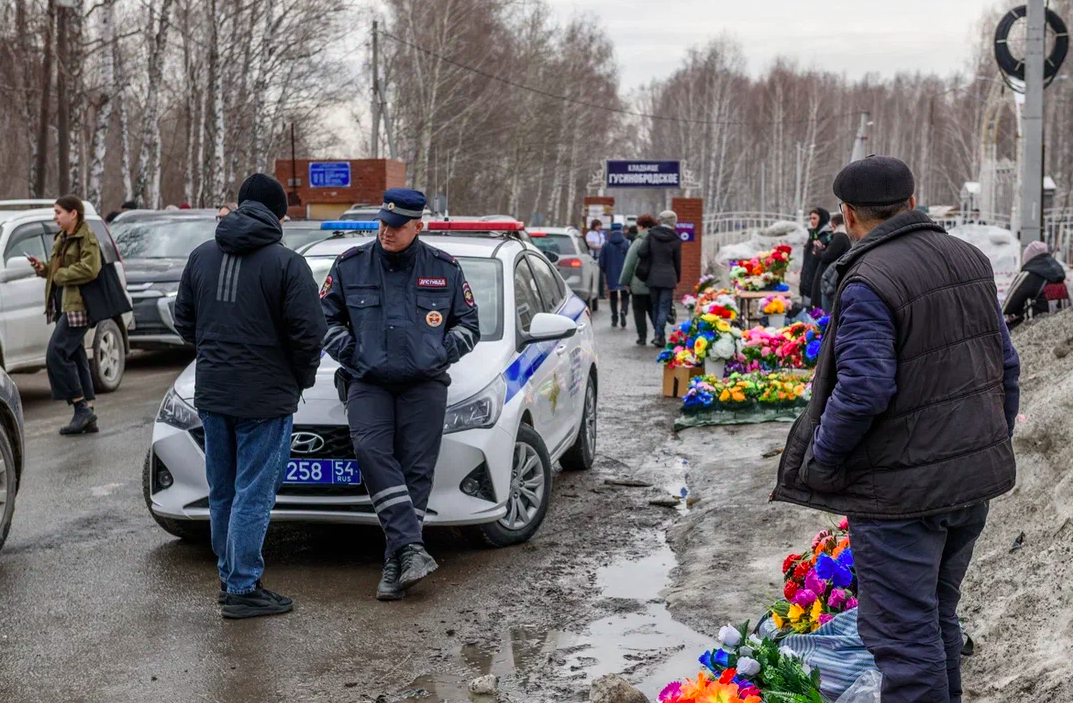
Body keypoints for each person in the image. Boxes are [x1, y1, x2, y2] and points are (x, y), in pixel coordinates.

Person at [772, 156, 1020, 703]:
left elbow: (863, 389)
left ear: (847, 216)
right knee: (936, 619)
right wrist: (989, 440)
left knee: (904, 641)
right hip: (968, 480)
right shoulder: (969, 258)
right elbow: (1006, 366)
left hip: (901, 494)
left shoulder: (869, 279)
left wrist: (823, 458)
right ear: (912, 203)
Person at [174, 173, 326, 619]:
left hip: (214, 393)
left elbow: (185, 321)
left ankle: (231, 577)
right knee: (253, 495)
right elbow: (309, 335)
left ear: (240, 205)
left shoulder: (201, 255)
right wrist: (298, 379)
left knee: (223, 491)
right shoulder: (287, 263)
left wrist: (214, 353)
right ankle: (242, 588)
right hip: (266, 399)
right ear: (279, 213)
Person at [321, 188, 480, 601]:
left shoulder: (444, 268)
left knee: (416, 471)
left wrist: (437, 354)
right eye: (382, 223)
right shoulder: (350, 264)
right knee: (370, 451)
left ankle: (397, 564)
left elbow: (468, 326)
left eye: (396, 226)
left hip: (424, 384)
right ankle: (411, 548)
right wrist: (352, 352)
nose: (386, 232)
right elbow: (326, 320)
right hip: (368, 381)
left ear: (417, 226)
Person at [32, 195, 103, 435]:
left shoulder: (86, 237)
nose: (55, 217)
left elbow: (91, 268)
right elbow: (57, 270)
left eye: (58, 212)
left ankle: (80, 407)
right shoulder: (62, 238)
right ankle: (88, 413)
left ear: (74, 214)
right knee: (76, 355)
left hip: (79, 307)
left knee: (56, 354)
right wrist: (44, 269)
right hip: (64, 304)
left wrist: (60, 275)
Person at [1002, 240, 1069, 329]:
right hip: (1061, 329)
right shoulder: (1060, 275)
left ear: (1028, 259)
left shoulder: (1028, 275)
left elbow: (1007, 307)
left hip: (1033, 330)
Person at [639, 210, 682, 346]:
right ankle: (659, 335)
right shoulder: (676, 239)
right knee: (664, 307)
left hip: (653, 275)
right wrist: (677, 277)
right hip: (669, 277)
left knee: (656, 306)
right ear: (673, 222)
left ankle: (659, 336)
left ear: (660, 220)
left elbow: (641, 252)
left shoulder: (651, 235)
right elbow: (677, 261)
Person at [620, 214, 657, 345]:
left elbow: (629, 264)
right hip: (654, 283)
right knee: (654, 310)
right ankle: (659, 335)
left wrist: (624, 282)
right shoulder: (657, 240)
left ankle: (642, 338)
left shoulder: (638, 241)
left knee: (639, 311)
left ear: (641, 226)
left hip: (638, 283)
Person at [811, 211, 851, 312]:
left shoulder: (840, 237)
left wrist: (819, 249)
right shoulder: (842, 237)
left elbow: (827, 256)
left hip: (830, 280)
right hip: (832, 278)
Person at [599, 222, 630, 329]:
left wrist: (606, 271)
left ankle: (614, 317)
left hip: (611, 273)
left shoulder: (606, 244)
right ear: (621, 230)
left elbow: (601, 261)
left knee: (613, 296)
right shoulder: (627, 243)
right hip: (624, 273)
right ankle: (623, 311)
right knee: (625, 294)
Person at [799, 206, 831, 307]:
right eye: (810, 218)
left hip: (816, 282)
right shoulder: (813, 235)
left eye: (814, 218)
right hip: (807, 280)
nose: (812, 221)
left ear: (822, 219)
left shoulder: (826, 237)